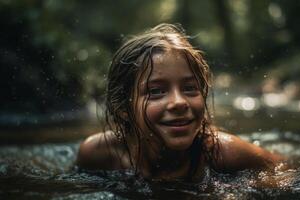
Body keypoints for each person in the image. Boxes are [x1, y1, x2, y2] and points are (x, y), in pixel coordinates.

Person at [76, 23, 283, 182]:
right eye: (156, 91)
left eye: (190, 88)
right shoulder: (98, 155)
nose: (179, 102)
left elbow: (287, 173)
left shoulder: (228, 154)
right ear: (123, 107)